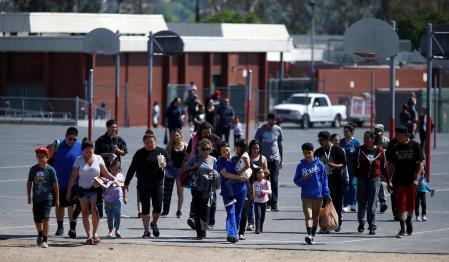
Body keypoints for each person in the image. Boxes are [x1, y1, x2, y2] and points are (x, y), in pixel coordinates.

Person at [66, 140, 115, 245]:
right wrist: (69, 190)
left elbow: (105, 173)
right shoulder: (78, 160)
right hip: (82, 189)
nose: (88, 154)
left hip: (95, 189)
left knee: (95, 211)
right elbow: (73, 176)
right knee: (84, 212)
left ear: (93, 150)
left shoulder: (98, 158)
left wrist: (115, 179)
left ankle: (95, 233)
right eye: (86, 152)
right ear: (82, 151)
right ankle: (89, 235)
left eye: (90, 152)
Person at [124, 134, 172, 238]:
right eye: (147, 142)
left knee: (158, 208)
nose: (149, 144)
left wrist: (165, 164)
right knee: (145, 208)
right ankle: (146, 231)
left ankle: (154, 223)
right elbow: (132, 168)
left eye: (151, 142)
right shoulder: (139, 153)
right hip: (143, 185)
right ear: (144, 143)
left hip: (157, 184)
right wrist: (126, 183)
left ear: (155, 141)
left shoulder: (161, 152)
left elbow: (170, 163)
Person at [387, 125, 424, 238]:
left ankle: (409, 221)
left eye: (398, 135)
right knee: (401, 205)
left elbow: (421, 164)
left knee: (411, 205)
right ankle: (402, 228)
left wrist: (417, 179)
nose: (396, 137)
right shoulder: (395, 147)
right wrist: (389, 181)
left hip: (412, 181)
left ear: (404, 135)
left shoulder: (415, 145)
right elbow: (391, 165)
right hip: (399, 181)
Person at [184, 122, 222, 230]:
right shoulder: (194, 139)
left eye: (209, 133)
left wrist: (218, 170)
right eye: (205, 133)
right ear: (200, 132)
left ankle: (210, 221)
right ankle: (194, 218)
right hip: (197, 175)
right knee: (196, 199)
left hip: (211, 175)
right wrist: (186, 167)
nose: (207, 135)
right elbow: (188, 154)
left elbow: (222, 153)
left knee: (211, 200)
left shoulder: (216, 140)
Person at [47, 127, 82, 238]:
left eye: (74, 139)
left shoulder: (80, 145)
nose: (71, 141)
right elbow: (47, 160)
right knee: (59, 205)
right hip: (58, 181)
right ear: (65, 136)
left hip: (73, 182)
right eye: (70, 139)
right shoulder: (57, 144)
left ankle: (72, 228)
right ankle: (60, 226)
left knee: (71, 205)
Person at [294, 143, 331, 245]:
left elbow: (324, 181)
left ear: (313, 152)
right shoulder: (301, 166)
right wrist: (303, 179)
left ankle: (313, 235)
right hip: (306, 196)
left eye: (309, 152)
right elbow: (296, 181)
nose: (307, 155)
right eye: (305, 153)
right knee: (308, 217)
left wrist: (327, 194)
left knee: (315, 218)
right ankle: (309, 235)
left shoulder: (319, 165)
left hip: (318, 196)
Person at [353, 131, 387, 235]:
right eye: (364, 138)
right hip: (362, 180)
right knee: (361, 202)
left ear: (373, 139)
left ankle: (372, 226)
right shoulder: (360, 150)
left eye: (368, 138)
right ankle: (361, 223)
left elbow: (384, 167)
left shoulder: (380, 151)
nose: (366, 140)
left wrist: (389, 181)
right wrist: (358, 175)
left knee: (372, 203)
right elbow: (354, 165)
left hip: (374, 179)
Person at [94, 119, 128, 218]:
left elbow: (125, 152)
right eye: (113, 127)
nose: (114, 129)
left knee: (115, 189)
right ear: (107, 127)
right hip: (104, 169)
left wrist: (118, 150)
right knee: (101, 189)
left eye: (115, 127)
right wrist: (106, 155)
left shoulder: (119, 139)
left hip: (116, 170)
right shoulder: (100, 140)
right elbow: (96, 154)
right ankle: (100, 211)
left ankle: (113, 209)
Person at [314, 131, 346, 232]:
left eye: (321, 140)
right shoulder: (318, 152)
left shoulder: (338, 150)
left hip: (337, 181)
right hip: (323, 182)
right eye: (319, 140)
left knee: (336, 204)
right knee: (322, 204)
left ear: (328, 139)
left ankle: (337, 223)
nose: (320, 142)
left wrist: (334, 166)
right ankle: (324, 226)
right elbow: (314, 166)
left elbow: (343, 165)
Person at [27, 147, 59, 248]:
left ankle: (45, 240)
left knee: (45, 218)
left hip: (47, 198)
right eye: (38, 157)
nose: (40, 159)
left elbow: (55, 185)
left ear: (47, 157)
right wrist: (29, 195)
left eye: (43, 157)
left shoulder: (50, 170)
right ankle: (40, 233)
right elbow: (29, 182)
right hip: (36, 198)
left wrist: (57, 199)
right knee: (37, 220)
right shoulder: (33, 169)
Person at [217, 142, 248, 243]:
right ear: (220, 153)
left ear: (230, 149)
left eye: (227, 150)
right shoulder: (220, 161)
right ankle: (231, 234)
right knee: (231, 212)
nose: (226, 152)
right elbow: (225, 174)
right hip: (227, 192)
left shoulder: (237, 159)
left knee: (238, 213)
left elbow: (247, 168)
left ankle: (235, 233)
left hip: (241, 189)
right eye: (223, 151)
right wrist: (239, 177)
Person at [254, 112, 283, 211]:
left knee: (274, 181)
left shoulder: (278, 129)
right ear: (267, 119)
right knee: (265, 181)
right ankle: (266, 202)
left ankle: (274, 204)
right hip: (263, 159)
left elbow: (279, 144)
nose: (273, 122)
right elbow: (256, 144)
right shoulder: (261, 130)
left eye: (275, 120)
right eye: (272, 120)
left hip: (274, 158)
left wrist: (281, 159)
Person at [162, 128, 187, 218]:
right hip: (170, 170)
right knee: (167, 192)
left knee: (180, 193)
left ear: (180, 135)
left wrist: (187, 168)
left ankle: (179, 211)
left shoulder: (185, 146)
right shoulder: (169, 146)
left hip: (181, 172)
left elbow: (189, 158)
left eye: (177, 135)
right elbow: (162, 156)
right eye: (174, 136)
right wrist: (163, 166)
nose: (176, 137)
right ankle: (165, 211)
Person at [246, 140, 270, 231]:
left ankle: (259, 224)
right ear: (250, 149)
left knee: (260, 205)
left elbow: (265, 171)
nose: (255, 150)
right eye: (254, 148)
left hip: (260, 185)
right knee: (250, 203)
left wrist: (266, 172)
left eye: (257, 148)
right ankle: (251, 222)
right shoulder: (247, 158)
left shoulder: (263, 158)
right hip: (249, 182)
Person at [223, 139, 252, 207]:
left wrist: (241, 171)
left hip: (242, 176)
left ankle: (231, 198)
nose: (236, 149)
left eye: (237, 148)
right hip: (242, 177)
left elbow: (248, 165)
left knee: (228, 183)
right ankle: (243, 197)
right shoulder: (240, 156)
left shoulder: (244, 156)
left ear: (241, 148)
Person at [104, 159, 127, 238]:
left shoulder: (121, 176)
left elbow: (124, 187)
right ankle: (110, 230)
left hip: (118, 198)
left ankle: (117, 230)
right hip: (108, 199)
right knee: (109, 215)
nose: (116, 171)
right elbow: (103, 186)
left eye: (118, 169)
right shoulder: (107, 175)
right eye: (114, 169)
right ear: (110, 168)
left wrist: (124, 197)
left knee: (117, 214)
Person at [340, 125, 360, 213]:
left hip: (354, 168)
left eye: (347, 132)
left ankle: (354, 204)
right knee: (345, 186)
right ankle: (346, 204)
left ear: (352, 132)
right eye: (344, 131)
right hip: (344, 168)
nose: (345, 133)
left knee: (353, 185)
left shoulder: (356, 143)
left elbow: (359, 155)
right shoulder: (341, 142)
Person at [374, 124, 390, 214]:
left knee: (381, 184)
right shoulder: (372, 140)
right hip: (375, 165)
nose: (377, 134)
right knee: (377, 183)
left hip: (384, 165)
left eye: (378, 132)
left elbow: (390, 153)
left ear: (383, 132)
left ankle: (382, 202)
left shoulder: (386, 141)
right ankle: (381, 202)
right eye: (375, 132)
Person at [253, 168, 271, 234]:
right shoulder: (254, 183)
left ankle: (261, 227)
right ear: (256, 175)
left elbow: (270, 191)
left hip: (264, 201)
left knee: (263, 216)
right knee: (258, 214)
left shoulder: (266, 182)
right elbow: (253, 191)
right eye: (259, 173)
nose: (261, 174)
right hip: (256, 201)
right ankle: (257, 229)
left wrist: (263, 191)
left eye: (262, 172)